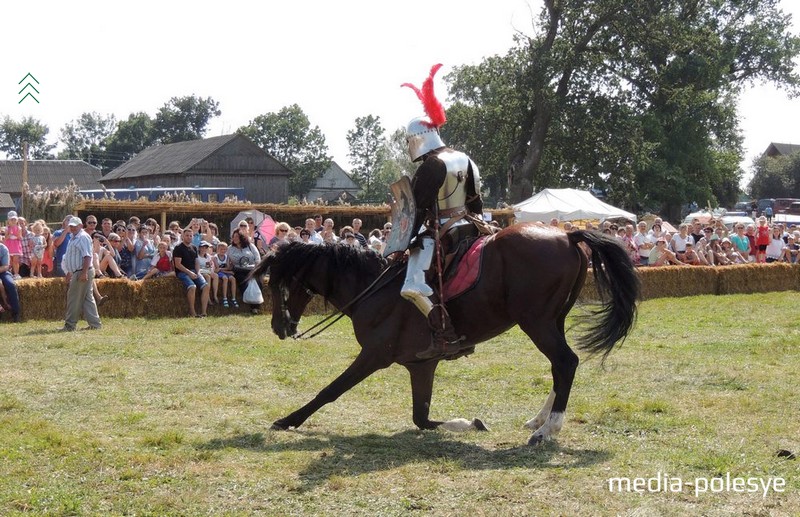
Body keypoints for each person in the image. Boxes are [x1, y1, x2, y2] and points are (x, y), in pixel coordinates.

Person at [399, 63, 483, 360]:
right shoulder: (464, 157)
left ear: (417, 138)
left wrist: (403, 242)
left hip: (444, 232)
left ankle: (445, 337)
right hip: (471, 227)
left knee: (412, 286)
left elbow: (417, 210)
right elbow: (475, 199)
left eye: (409, 141)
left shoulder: (432, 165)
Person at [60, 217, 102, 331]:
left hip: (82, 271)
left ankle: (70, 325)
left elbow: (87, 256)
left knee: (73, 298)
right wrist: (70, 271)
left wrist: (83, 273)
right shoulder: (74, 237)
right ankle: (95, 324)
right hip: (79, 271)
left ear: (80, 226)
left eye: (74, 225)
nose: (72, 227)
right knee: (87, 298)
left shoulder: (82, 237)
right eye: (71, 226)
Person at [172, 228, 210, 318]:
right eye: (187, 235)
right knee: (192, 287)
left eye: (190, 235)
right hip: (182, 272)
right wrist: (189, 273)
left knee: (206, 286)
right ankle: (192, 312)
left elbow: (196, 262)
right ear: (182, 236)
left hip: (194, 271)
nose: (189, 237)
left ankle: (204, 313)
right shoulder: (178, 248)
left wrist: (198, 272)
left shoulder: (194, 247)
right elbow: (177, 264)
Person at [227, 228, 261, 313]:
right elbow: (232, 261)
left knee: (258, 281)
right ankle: (250, 304)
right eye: (233, 237)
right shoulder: (230, 248)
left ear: (242, 237)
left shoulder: (250, 246)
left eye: (237, 237)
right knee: (244, 281)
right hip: (239, 270)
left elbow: (257, 259)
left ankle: (256, 306)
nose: (234, 238)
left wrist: (256, 270)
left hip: (252, 269)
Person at [0, 241, 21, 322]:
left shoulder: (3, 248)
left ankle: (16, 313)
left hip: (3, 272)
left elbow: (5, 266)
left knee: (10, 284)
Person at [215, 241, 238, 308]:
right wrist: (227, 271)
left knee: (233, 279)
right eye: (221, 249)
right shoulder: (215, 257)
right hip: (220, 273)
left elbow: (228, 267)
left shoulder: (227, 257)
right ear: (217, 249)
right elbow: (217, 269)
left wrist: (224, 270)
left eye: (224, 249)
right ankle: (225, 298)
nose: (223, 251)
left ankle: (233, 298)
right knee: (225, 278)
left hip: (224, 272)